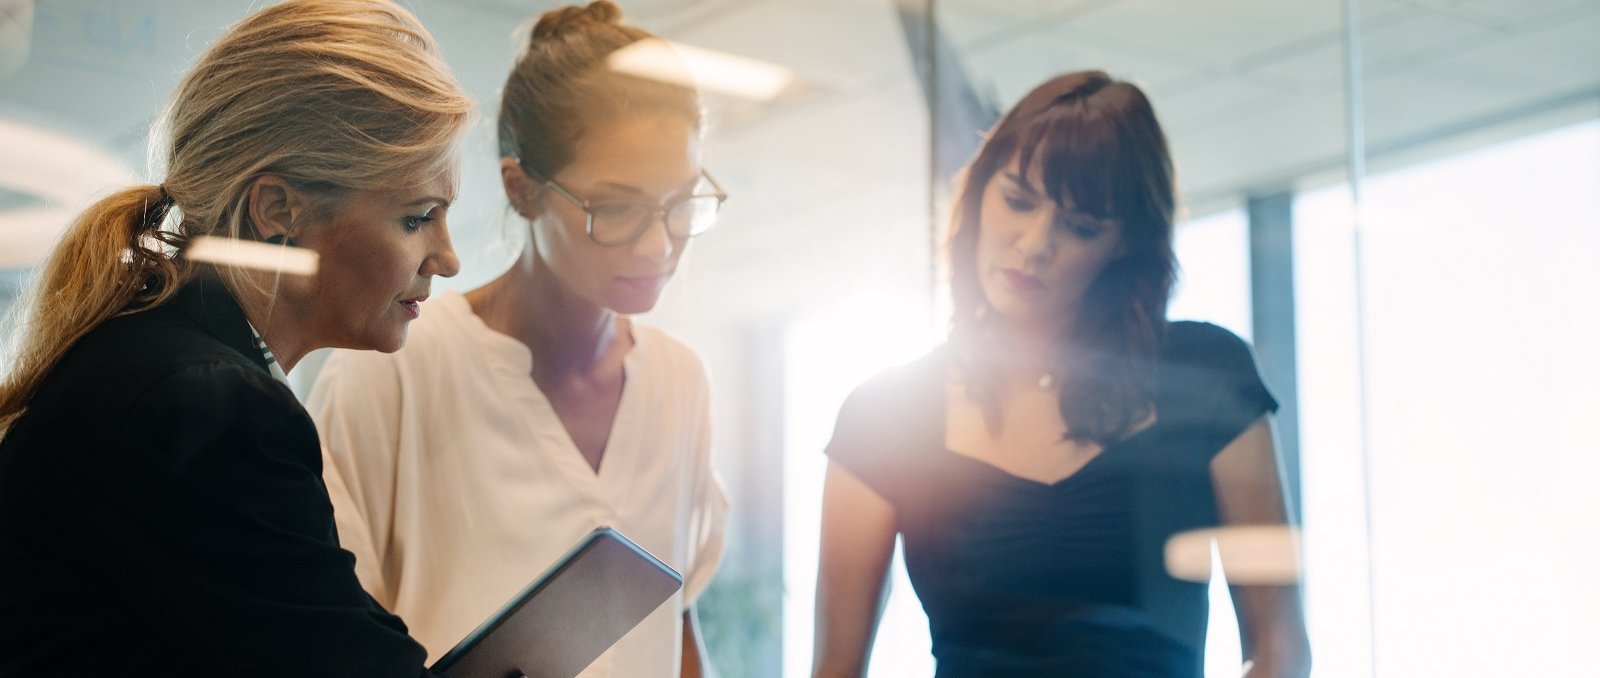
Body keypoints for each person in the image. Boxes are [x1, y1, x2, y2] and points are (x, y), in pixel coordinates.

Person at [0, 1, 472, 675]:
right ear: (277, 208)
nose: (446, 258)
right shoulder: (208, 409)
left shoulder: (151, 363)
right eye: (417, 218)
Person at [811, 71, 1312, 677]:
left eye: (1080, 226)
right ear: (978, 192)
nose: (1033, 244)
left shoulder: (1206, 374)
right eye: (1017, 200)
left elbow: (1280, 648)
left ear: (1126, 244)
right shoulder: (884, 415)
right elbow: (836, 670)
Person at [307, 2, 729, 675]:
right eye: (615, 208)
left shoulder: (682, 384)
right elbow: (326, 643)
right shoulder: (394, 370)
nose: (658, 244)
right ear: (522, 190)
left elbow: (673, 627)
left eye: (680, 202)